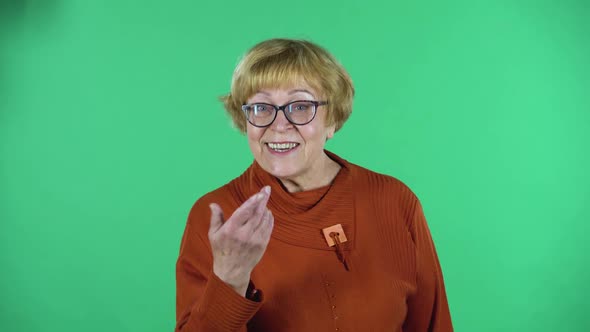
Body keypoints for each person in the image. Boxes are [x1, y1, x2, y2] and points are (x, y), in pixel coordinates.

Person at [175, 38, 453, 332]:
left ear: (332, 120)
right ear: (245, 121)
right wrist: (230, 279)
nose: (279, 125)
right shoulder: (217, 218)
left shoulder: (395, 201)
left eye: (300, 106)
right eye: (261, 108)